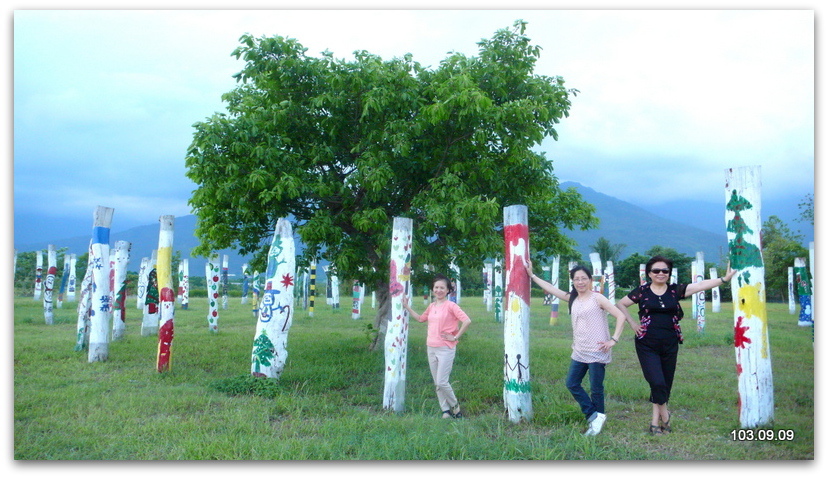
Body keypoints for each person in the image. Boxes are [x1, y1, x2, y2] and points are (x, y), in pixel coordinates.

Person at [616, 255, 736, 435]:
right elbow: (621, 304)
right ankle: (666, 416)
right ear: (649, 273)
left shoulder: (675, 290)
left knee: (665, 383)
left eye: (665, 270)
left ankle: (655, 422)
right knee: (656, 381)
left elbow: (700, 285)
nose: (661, 273)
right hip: (646, 343)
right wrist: (633, 323)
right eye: (656, 270)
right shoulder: (642, 291)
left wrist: (723, 279)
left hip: (670, 342)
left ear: (669, 273)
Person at [528, 261, 628, 436]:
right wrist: (532, 275)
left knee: (596, 388)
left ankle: (596, 424)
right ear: (573, 281)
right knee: (572, 383)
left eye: (583, 279)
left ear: (590, 280)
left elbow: (620, 315)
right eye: (576, 279)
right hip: (579, 350)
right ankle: (594, 415)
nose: (580, 282)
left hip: (598, 350)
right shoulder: (572, 297)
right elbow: (552, 289)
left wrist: (614, 339)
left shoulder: (598, 298)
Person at [403, 274, 472, 419]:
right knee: (437, 383)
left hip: (446, 348)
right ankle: (445, 410)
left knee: (442, 381)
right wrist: (407, 307)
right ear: (432, 289)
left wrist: (455, 336)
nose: (439, 290)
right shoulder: (432, 306)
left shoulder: (451, 306)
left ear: (448, 290)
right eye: (436, 287)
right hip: (431, 347)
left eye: (442, 288)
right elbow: (421, 319)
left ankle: (456, 408)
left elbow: (467, 321)